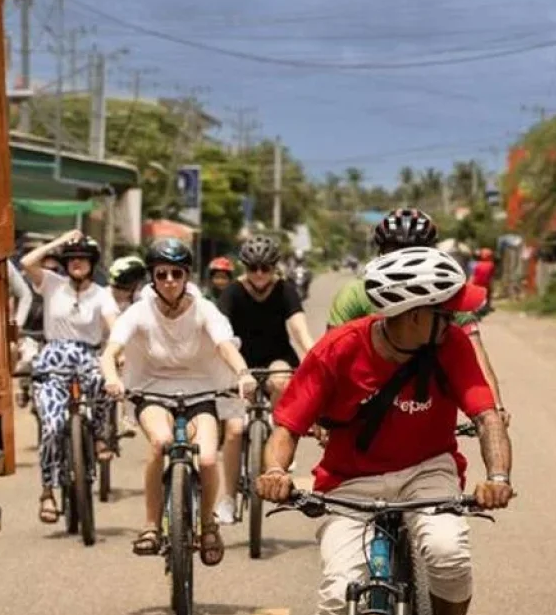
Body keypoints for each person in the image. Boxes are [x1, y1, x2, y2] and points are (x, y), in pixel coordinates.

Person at [255, 246, 513, 615]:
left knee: (447, 551)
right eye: (443, 310)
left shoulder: (449, 344)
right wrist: (276, 471)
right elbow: (288, 426)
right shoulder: (337, 351)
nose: (453, 318)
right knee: (334, 602)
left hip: (428, 471)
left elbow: (487, 415)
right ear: (411, 313)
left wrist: (497, 475)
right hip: (349, 483)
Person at [100, 237, 256, 565]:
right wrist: (112, 378)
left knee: (209, 460)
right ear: (152, 278)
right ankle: (150, 526)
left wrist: (243, 373)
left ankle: (208, 524)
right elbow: (111, 351)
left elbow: (224, 345)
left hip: (201, 392)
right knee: (161, 443)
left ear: (187, 276)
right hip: (152, 391)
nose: (169, 281)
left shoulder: (204, 309)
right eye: (161, 274)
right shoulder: (139, 312)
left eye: (176, 273)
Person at [326, 208, 508, 420]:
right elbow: (330, 361)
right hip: (366, 407)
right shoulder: (355, 294)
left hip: (428, 407)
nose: (405, 261)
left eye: (415, 252)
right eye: (396, 251)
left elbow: (475, 354)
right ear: (381, 254)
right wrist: (323, 410)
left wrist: (494, 409)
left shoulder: (448, 294)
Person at [213, 234, 315, 524]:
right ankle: (228, 498)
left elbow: (300, 330)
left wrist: (316, 357)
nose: (259, 274)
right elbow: (220, 334)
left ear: (274, 268)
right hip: (237, 364)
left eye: (266, 268)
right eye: (253, 268)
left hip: (276, 358)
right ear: (245, 267)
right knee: (233, 430)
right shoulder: (232, 292)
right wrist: (237, 370)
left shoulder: (285, 290)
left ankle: (277, 435)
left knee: (282, 379)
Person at [22, 230, 112, 524]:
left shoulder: (102, 294)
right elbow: (27, 262)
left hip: (88, 359)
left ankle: (99, 435)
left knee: (103, 381)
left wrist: (118, 351)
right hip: (52, 363)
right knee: (52, 427)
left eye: (83, 258)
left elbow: (114, 325)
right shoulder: (52, 284)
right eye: (71, 258)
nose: (77, 263)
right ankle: (48, 491)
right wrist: (61, 241)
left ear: (92, 263)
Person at [102, 254, 147, 329]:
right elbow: (115, 330)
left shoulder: (138, 299)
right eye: (125, 288)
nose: (127, 293)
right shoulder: (103, 298)